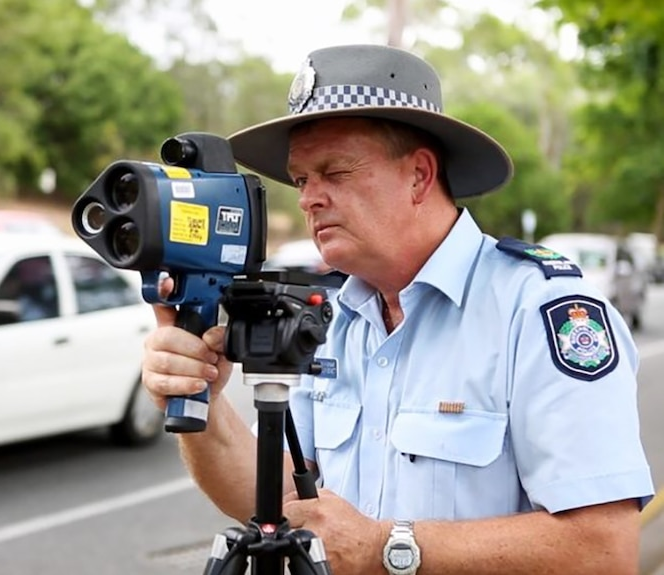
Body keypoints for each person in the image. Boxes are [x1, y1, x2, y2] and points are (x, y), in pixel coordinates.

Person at [141, 44, 655, 574]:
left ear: (419, 176)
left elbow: (603, 550)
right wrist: (199, 397)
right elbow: (284, 502)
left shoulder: (540, 311)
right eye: (300, 180)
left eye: (333, 173)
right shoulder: (336, 317)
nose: (308, 199)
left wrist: (385, 548)